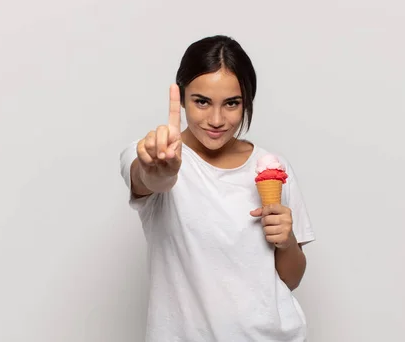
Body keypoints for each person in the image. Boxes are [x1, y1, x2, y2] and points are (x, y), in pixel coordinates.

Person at [119, 35, 316, 342]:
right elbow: (150, 179)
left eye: (231, 104)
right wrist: (159, 171)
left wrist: (287, 241)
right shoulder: (152, 155)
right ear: (183, 98)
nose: (216, 119)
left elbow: (291, 279)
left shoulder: (271, 167)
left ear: (246, 102)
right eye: (202, 102)